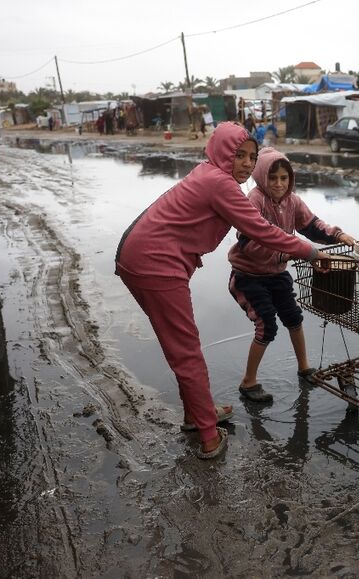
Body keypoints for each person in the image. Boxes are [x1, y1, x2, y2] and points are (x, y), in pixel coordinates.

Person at [114, 123, 332, 459]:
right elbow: (263, 231)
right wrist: (313, 252)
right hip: (154, 263)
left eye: (251, 157)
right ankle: (209, 437)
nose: (246, 163)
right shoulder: (220, 183)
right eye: (238, 155)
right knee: (186, 351)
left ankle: (197, 415)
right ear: (221, 152)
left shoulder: (208, 175)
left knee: (180, 347)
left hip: (140, 257)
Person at [227, 147, 355, 403]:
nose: (278, 184)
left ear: (290, 179)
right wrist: (292, 255)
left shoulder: (292, 201)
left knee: (294, 318)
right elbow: (251, 247)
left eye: (284, 178)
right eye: (272, 178)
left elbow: (312, 225)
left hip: (276, 273)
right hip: (248, 275)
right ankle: (248, 382)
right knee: (267, 325)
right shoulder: (253, 201)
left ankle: (304, 367)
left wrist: (338, 235)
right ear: (261, 177)